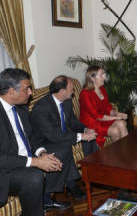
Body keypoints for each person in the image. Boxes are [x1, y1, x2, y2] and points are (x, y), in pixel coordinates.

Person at [0, 68, 62, 216]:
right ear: (11, 91)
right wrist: (35, 162)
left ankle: (45, 201)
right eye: (27, 89)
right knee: (33, 177)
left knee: (57, 155)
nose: (31, 92)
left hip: (15, 159)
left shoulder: (20, 107)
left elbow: (30, 136)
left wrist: (42, 153)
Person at [31, 75, 98, 209]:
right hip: (43, 141)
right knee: (64, 147)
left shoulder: (66, 101)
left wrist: (85, 129)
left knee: (90, 139)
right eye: (72, 89)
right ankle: (50, 195)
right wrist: (80, 136)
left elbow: (72, 121)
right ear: (62, 92)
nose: (74, 92)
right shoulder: (41, 108)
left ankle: (93, 176)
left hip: (57, 136)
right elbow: (53, 136)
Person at [79, 66, 128, 147]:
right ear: (92, 78)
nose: (105, 77)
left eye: (104, 74)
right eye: (102, 75)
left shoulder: (102, 89)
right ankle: (121, 154)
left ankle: (126, 151)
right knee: (115, 130)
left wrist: (117, 113)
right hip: (91, 123)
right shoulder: (85, 94)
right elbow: (97, 116)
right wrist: (116, 118)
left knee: (122, 123)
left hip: (103, 119)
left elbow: (108, 108)